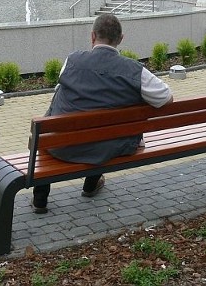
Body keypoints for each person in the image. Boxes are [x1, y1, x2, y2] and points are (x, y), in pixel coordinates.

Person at [32, 13, 173, 213]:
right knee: (102, 123)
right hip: (112, 146)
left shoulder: (72, 60)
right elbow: (167, 98)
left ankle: (40, 197)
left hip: (61, 146)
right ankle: (91, 185)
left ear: (92, 36)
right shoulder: (134, 70)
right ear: (120, 39)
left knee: (59, 97)